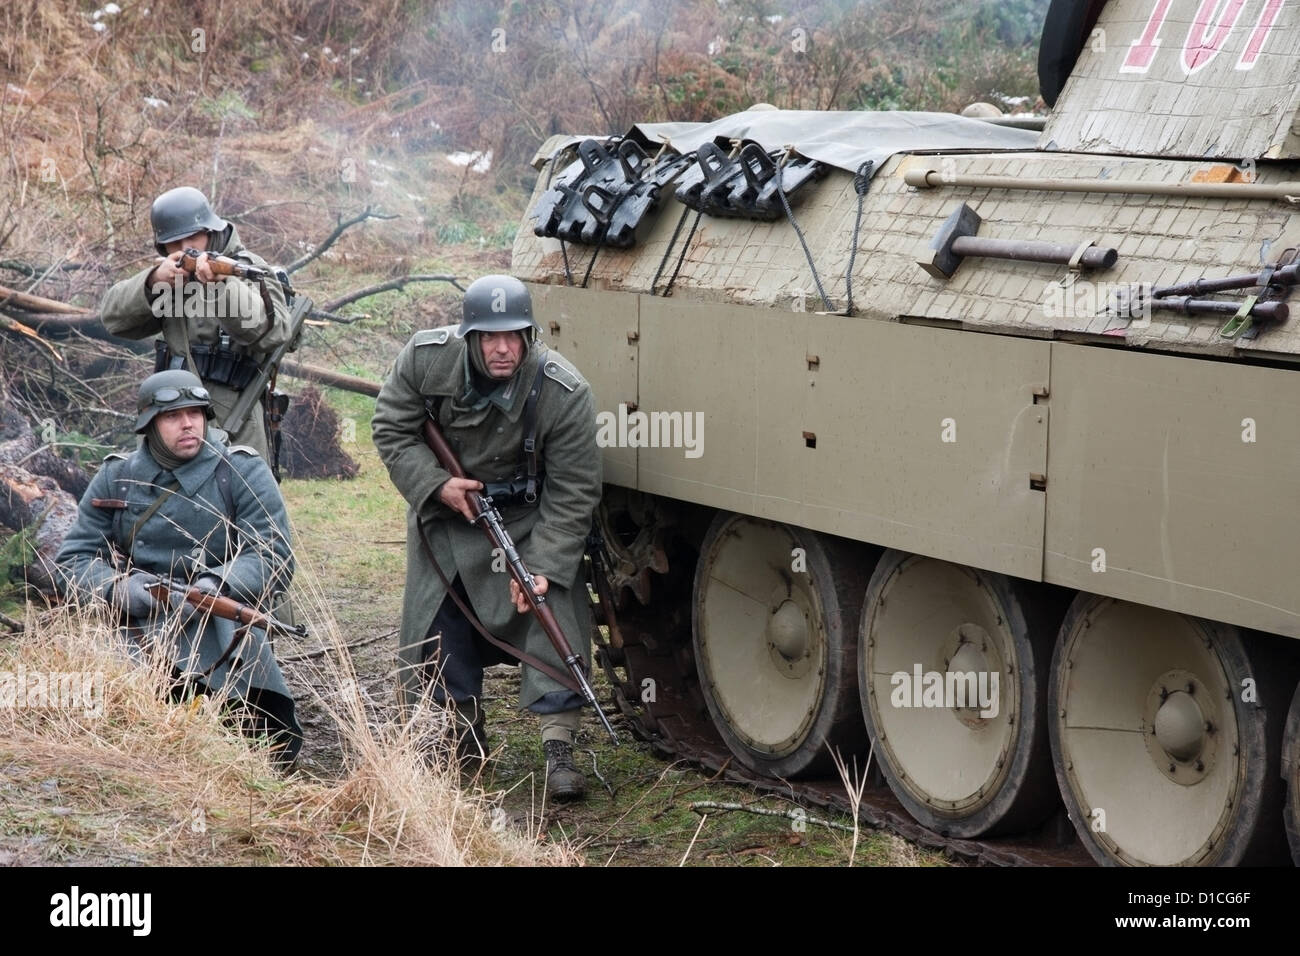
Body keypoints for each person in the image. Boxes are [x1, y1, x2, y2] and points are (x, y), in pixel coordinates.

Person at [371, 274, 601, 799]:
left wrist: (543, 564)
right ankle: (458, 735)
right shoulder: (425, 360)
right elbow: (392, 427)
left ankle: (559, 744)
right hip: (448, 519)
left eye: (515, 335)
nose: (503, 348)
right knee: (436, 625)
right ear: (468, 335)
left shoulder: (563, 389)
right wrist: (436, 485)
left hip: (527, 519)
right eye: (490, 336)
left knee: (553, 610)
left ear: (530, 334)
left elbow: (574, 490)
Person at [54, 370, 303, 767]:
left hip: (223, 612)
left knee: (255, 726)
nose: (188, 424)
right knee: (117, 729)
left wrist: (213, 585)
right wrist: (121, 590)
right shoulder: (117, 476)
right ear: (149, 425)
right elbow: (72, 561)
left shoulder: (240, 469)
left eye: (195, 413)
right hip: (138, 618)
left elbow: (273, 555)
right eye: (172, 416)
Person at [100, 186, 292, 458]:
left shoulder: (249, 270)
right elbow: (114, 319)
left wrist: (221, 286)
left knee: (242, 495)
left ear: (210, 232)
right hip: (172, 413)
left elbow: (271, 332)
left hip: (236, 418)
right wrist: (152, 281)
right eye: (173, 243)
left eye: (192, 238)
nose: (184, 249)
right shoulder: (171, 278)